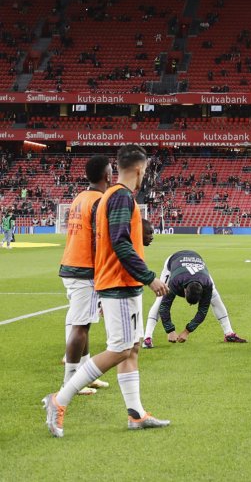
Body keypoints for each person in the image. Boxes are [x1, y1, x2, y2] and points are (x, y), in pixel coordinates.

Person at [43, 145, 171, 438]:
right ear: (140, 169)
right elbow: (120, 242)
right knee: (120, 349)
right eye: (146, 170)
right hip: (120, 283)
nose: (145, 175)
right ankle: (59, 399)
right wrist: (150, 277)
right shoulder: (121, 197)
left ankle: (136, 413)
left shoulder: (111, 197)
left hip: (119, 282)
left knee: (132, 348)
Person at [57, 155, 112, 396]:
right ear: (107, 176)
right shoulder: (100, 201)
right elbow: (97, 241)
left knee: (85, 322)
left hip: (70, 264)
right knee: (80, 326)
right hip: (84, 270)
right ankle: (70, 383)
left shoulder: (80, 197)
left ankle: (85, 375)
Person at [143, 222, 247, 348]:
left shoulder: (207, 284)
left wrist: (187, 331)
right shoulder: (175, 282)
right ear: (184, 290)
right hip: (174, 261)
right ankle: (147, 337)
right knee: (160, 298)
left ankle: (229, 333)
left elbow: (203, 310)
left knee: (216, 299)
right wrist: (170, 330)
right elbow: (165, 306)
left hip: (198, 265)